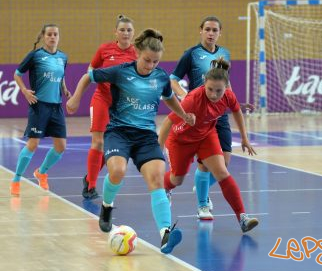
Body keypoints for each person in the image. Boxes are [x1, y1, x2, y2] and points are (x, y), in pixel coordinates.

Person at [66, 28, 195, 254]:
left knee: (157, 178)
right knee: (117, 171)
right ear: (137, 53)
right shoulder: (120, 72)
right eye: (147, 60)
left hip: (145, 136)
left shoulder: (161, 77)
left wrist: (184, 115)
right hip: (119, 132)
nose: (150, 65)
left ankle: (165, 234)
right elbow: (89, 75)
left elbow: (169, 98)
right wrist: (76, 98)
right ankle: (107, 207)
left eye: (155, 62)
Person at [159, 57, 259, 233]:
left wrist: (244, 138)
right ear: (204, 83)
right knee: (177, 179)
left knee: (222, 172)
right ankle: (165, 186)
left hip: (206, 136)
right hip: (180, 140)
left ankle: (242, 217)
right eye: (210, 89)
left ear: (226, 88)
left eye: (218, 91)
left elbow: (237, 111)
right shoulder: (192, 100)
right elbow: (168, 122)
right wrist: (157, 149)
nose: (214, 94)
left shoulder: (228, 96)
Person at [170, 16, 233, 220]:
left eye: (215, 30)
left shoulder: (224, 54)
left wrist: (233, 102)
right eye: (207, 29)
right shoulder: (192, 54)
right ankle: (203, 204)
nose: (211, 33)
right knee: (206, 164)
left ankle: (201, 188)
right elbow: (172, 80)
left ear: (220, 32)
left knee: (225, 162)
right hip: (200, 117)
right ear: (201, 31)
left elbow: (226, 84)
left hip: (220, 114)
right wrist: (184, 96)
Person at [10, 24, 70, 196]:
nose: (52, 37)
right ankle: (16, 179)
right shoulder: (35, 56)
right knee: (33, 143)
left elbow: (61, 76)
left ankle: (41, 172)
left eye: (55, 34)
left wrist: (64, 89)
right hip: (39, 105)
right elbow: (17, 74)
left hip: (56, 106)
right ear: (44, 36)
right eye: (49, 34)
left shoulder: (63, 57)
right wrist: (25, 91)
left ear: (59, 36)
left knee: (61, 146)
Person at [82, 14, 138, 199]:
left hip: (122, 106)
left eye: (129, 30)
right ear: (115, 32)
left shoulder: (137, 53)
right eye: (122, 30)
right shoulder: (105, 49)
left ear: (133, 33)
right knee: (98, 142)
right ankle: (90, 186)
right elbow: (90, 69)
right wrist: (99, 77)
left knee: (111, 147)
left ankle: (89, 177)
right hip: (102, 99)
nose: (125, 33)